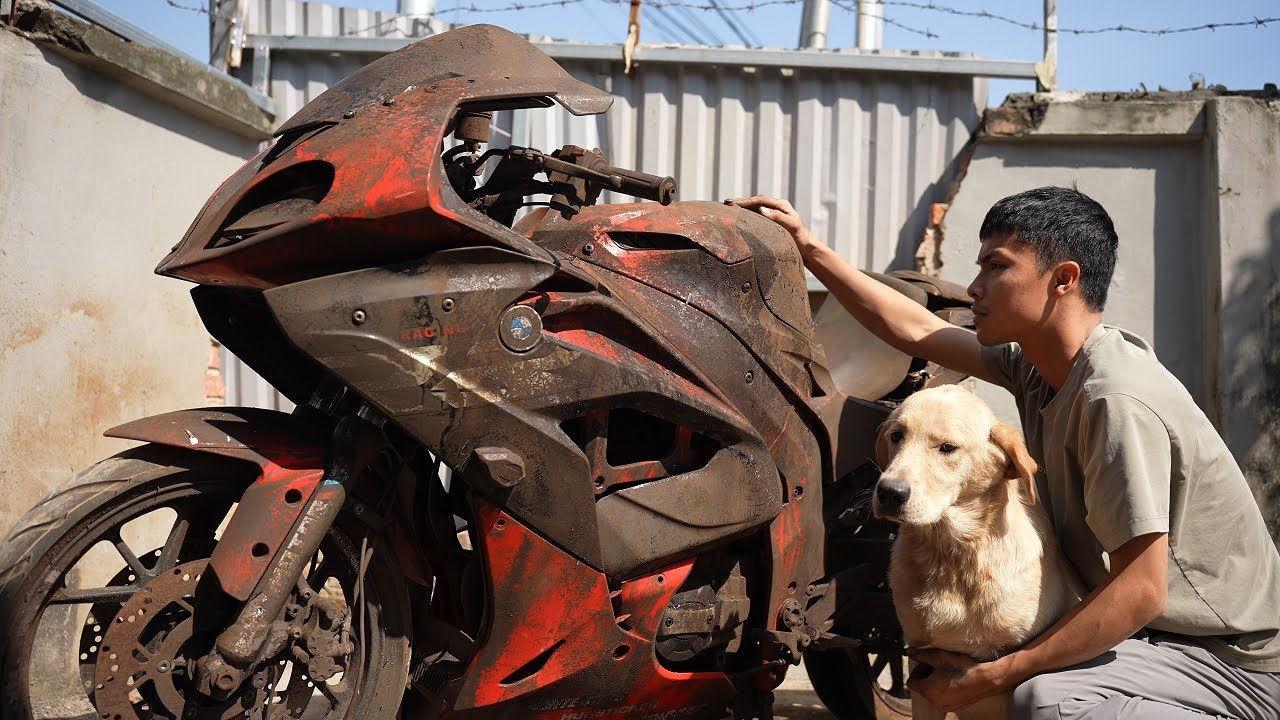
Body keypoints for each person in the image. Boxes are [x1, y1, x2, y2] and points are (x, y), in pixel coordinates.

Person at [734, 187, 1280, 719]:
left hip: (1226, 659)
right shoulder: (1040, 367)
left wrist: (998, 674)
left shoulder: (1115, 398)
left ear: (1064, 279)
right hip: (1156, 641)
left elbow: (1142, 590)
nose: (974, 287)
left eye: (996, 267)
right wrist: (809, 248)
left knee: (1044, 700)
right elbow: (917, 329)